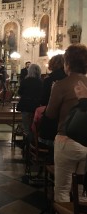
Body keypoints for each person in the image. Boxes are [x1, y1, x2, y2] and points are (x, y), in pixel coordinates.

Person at [45, 44, 87, 203]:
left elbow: (50, 114)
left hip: (67, 139)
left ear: (67, 63)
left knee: (62, 188)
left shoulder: (61, 84)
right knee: (83, 190)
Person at [17, 64, 43, 140]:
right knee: (34, 126)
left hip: (25, 105)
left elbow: (20, 92)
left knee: (26, 127)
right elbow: (42, 94)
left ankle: (26, 146)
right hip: (36, 106)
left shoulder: (25, 81)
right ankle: (33, 144)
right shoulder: (40, 82)